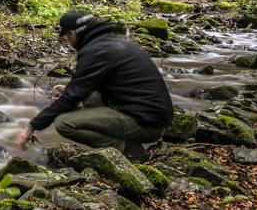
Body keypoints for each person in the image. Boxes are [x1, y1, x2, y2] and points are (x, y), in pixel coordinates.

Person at [14, 10, 173, 160]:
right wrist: (70, 89)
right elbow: (93, 84)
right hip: (153, 115)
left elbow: (72, 97)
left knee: (64, 123)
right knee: (89, 100)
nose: (68, 42)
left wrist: (32, 126)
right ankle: (127, 141)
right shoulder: (109, 42)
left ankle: (128, 150)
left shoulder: (95, 51)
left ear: (72, 34)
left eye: (66, 38)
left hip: (148, 124)